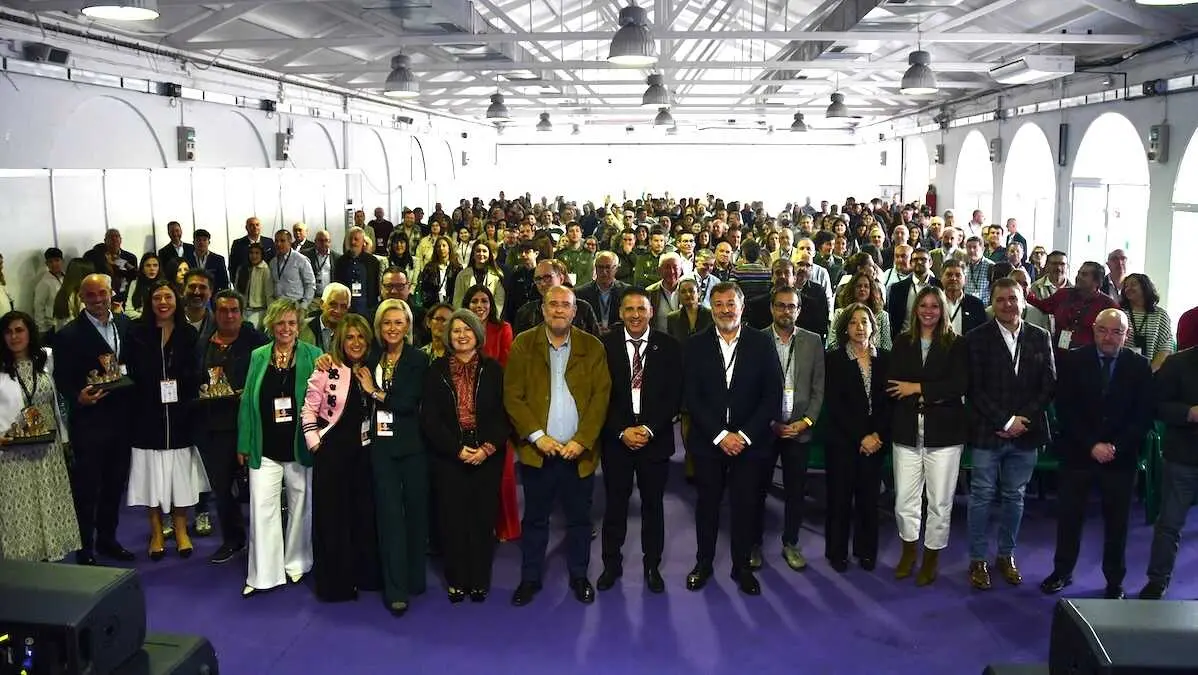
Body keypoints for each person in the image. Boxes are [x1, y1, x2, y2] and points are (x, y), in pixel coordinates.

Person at [505, 285, 611, 606]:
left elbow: (600, 399)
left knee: (580, 520)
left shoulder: (593, 347)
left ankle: (580, 576)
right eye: (553, 304)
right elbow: (513, 397)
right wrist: (538, 437)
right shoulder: (523, 345)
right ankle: (530, 578)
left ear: (575, 311)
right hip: (540, 454)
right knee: (535, 520)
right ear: (543, 309)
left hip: (579, 454)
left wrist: (581, 441)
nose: (559, 310)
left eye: (566, 305)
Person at [1040, 309, 1153, 600]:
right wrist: (1092, 445)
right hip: (1079, 453)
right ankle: (1062, 571)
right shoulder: (1074, 360)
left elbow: (1142, 417)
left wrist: (1116, 447)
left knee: (1117, 524)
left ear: (1126, 335)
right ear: (1094, 330)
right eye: (1104, 330)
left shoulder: (1139, 366)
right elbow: (1065, 409)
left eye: (1117, 331)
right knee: (1069, 518)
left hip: (1120, 457)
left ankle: (1114, 581)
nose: (1109, 337)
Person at [683, 282, 783, 595]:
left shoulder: (761, 343)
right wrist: (719, 435)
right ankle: (703, 563)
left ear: (742, 307)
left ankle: (742, 568)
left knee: (745, 506)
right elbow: (691, 396)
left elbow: (772, 395)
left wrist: (743, 435)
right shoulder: (695, 345)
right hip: (708, 442)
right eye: (719, 304)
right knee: (707, 506)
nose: (726, 309)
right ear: (710, 308)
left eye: (731, 303)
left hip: (749, 444)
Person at [965, 278, 1056, 590]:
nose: (1007, 304)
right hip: (988, 431)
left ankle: (1006, 555)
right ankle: (977, 559)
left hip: (1026, 433)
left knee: (1015, 497)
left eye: (1013, 299)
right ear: (992, 303)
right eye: (1001, 299)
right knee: (981, 497)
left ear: (1023, 303)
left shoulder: (1040, 336)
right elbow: (974, 388)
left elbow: (1049, 384)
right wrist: (1005, 422)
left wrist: (1022, 420)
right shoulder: (976, 338)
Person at [597, 289, 682, 594]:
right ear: (620, 313)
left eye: (641, 309)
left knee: (653, 507)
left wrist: (649, 429)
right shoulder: (604, 347)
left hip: (654, 441)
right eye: (629, 309)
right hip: (616, 441)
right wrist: (621, 431)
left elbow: (674, 396)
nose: (635, 315)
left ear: (650, 312)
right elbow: (598, 397)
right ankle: (611, 564)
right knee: (615, 506)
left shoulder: (669, 346)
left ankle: (652, 566)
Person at [421, 309, 508, 604]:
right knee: (452, 519)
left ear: (477, 335)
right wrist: (456, 449)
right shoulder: (436, 371)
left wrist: (486, 448)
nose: (461, 335)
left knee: (482, 519)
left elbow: (503, 415)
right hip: (450, 454)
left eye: (467, 330)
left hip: (487, 453)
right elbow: (430, 419)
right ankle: (457, 580)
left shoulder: (494, 369)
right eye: (455, 330)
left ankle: (479, 579)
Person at [237, 298, 320, 597]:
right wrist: (244, 442)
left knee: (301, 506)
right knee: (261, 508)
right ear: (271, 325)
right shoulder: (258, 355)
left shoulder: (314, 355)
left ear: (299, 327)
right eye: (280, 323)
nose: (286, 328)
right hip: (265, 447)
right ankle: (263, 574)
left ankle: (296, 562)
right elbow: (248, 401)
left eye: (291, 323)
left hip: (299, 446)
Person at [52, 274, 136, 565]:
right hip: (90, 422)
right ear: (81, 298)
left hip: (123, 420)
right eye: (90, 295)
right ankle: (85, 547)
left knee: (115, 485)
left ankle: (108, 539)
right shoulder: (68, 335)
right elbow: (61, 378)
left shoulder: (126, 325)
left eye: (102, 293)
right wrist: (78, 397)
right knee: (88, 489)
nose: (98, 299)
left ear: (111, 293)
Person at [886, 287, 967, 586]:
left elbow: (958, 385)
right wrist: (930, 391)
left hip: (944, 434)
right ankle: (908, 551)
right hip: (907, 430)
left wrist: (918, 389)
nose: (928, 310)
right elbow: (894, 385)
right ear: (915, 308)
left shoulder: (956, 344)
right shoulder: (902, 342)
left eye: (935, 305)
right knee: (904, 500)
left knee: (939, 502)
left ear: (943, 309)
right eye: (923, 305)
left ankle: (931, 556)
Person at [301, 314, 382, 602]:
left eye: (361, 337)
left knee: (362, 516)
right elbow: (308, 410)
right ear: (340, 340)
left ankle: (365, 576)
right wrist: (315, 444)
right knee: (332, 519)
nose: (356, 342)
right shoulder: (325, 368)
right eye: (350, 337)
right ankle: (337, 584)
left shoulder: (374, 368)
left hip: (364, 454)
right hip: (331, 454)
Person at [124, 279, 206, 560]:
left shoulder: (188, 334)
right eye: (157, 297)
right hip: (147, 416)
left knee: (180, 476)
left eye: (168, 297)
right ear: (150, 302)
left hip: (181, 415)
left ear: (176, 300)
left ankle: (181, 530)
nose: (163, 302)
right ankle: (157, 532)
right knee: (152, 476)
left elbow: (197, 372)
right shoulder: (137, 334)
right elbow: (129, 372)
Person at [366, 299, 430, 616]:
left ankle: (415, 577)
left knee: (416, 514)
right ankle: (395, 588)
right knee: (390, 515)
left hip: (413, 446)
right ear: (379, 327)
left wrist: (376, 392)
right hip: (381, 448)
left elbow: (408, 402)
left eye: (398, 322)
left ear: (407, 326)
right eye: (386, 322)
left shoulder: (418, 360)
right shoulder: (370, 357)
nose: (392, 328)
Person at [196, 289, 269, 564]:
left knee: (260, 487)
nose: (229, 315)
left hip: (251, 423)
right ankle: (233, 539)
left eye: (234, 310)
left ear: (242, 313)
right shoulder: (204, 344)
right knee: (223, 488)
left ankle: (266, 542)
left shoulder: (257, 342)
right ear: (215, 312)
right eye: (223, 310)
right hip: (214, 426)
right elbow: (194, 378)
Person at [0, 311, 80, 562]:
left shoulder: (46, 359)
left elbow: (57, 403)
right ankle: (25, 560)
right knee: (21, 505)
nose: (14, 337)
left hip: (48, 447)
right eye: (9, 332)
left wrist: (65, 438)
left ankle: (51, 554)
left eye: (19, 330)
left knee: (49, 498)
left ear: (29, 333)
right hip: (14, 451)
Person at [755, 285, 824, 572]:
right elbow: (752, 389)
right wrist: (769, 422)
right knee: (757, 490)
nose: (786, 311)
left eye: (791, 306)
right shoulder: (756, 340)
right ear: (772, 308)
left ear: (799, 310)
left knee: (795, 491)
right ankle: (753, 544)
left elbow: (819, 389)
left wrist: (805, 422)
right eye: (781, 306)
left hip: (800, 429)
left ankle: (791, 543)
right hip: (765, 429)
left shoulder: (813, 341)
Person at [823, 303, 891, 573]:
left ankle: (866, 551)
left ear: (873, 326)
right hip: (843, 442)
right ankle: (836, 552)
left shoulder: (886, 359)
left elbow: (890, 404)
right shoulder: (834, 360)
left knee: (868, 501)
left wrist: (877, 435)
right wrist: (861, 436)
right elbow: (835, 406)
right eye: (853, 322)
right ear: (845, 328)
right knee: (839, 500)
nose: (859, 327)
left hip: (876, 443)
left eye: (865, 321)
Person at [462, 284, 519, 542]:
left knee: (503, 471)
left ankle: (506, 526)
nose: (479, 306)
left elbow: (508, 370)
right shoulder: (460, 330)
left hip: (496, 408)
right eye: (474, 301)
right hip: (465, 410)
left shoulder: (503, 329)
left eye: (484, 300)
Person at [1119, 273, 1173, 371]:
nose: (1128, 288)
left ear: (1145, 287)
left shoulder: (1160, 315)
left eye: (1133, 284)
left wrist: (1150, 372)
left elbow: (1165, 348)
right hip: (1122, 371)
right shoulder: (1120, 314)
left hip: (1152, 372)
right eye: (1126, 286)